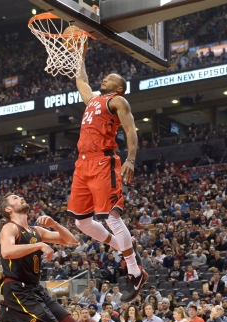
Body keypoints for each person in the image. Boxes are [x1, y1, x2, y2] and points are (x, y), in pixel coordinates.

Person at [70, 46, 147, 303]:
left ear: (119, 88)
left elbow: (131, 131)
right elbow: (81, 79)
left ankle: (135, 271)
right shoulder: (92, 99)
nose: (105, 78)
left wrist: (131, 159)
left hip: (104, 162)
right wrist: (78, 53)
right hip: (83, 164)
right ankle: (125, 247)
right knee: (81, 222)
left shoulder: (118, 101)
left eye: (111, 78)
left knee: (112, 218)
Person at [0, 193, 81, 322]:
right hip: (17, 289)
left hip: (34, 289)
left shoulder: (36, 231)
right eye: (15, 198)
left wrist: (55, 224)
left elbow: (72, 241)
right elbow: (6, 251)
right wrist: (39, 246)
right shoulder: (10, 227)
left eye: (20, 196)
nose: (21, 198)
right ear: (8, 208)